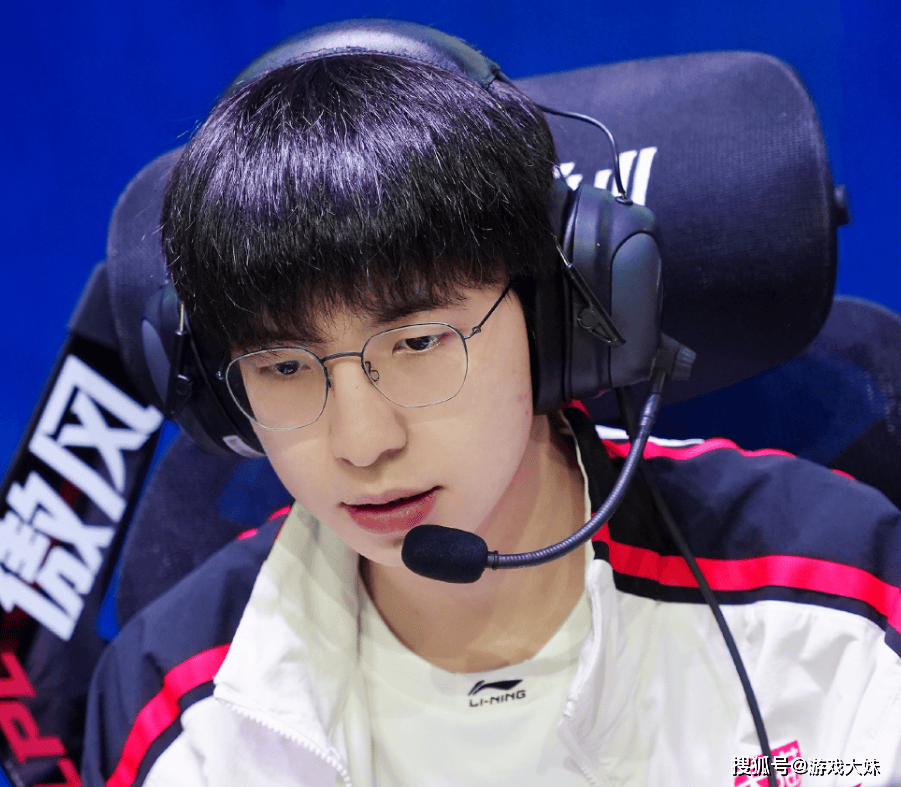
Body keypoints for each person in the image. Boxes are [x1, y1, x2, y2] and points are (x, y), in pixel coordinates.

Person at [82, 21, 901, 787]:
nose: (362, 443)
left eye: (417, 343)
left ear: (557, 315)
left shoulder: (839, 600)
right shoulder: (170, 706)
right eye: (285, 365)